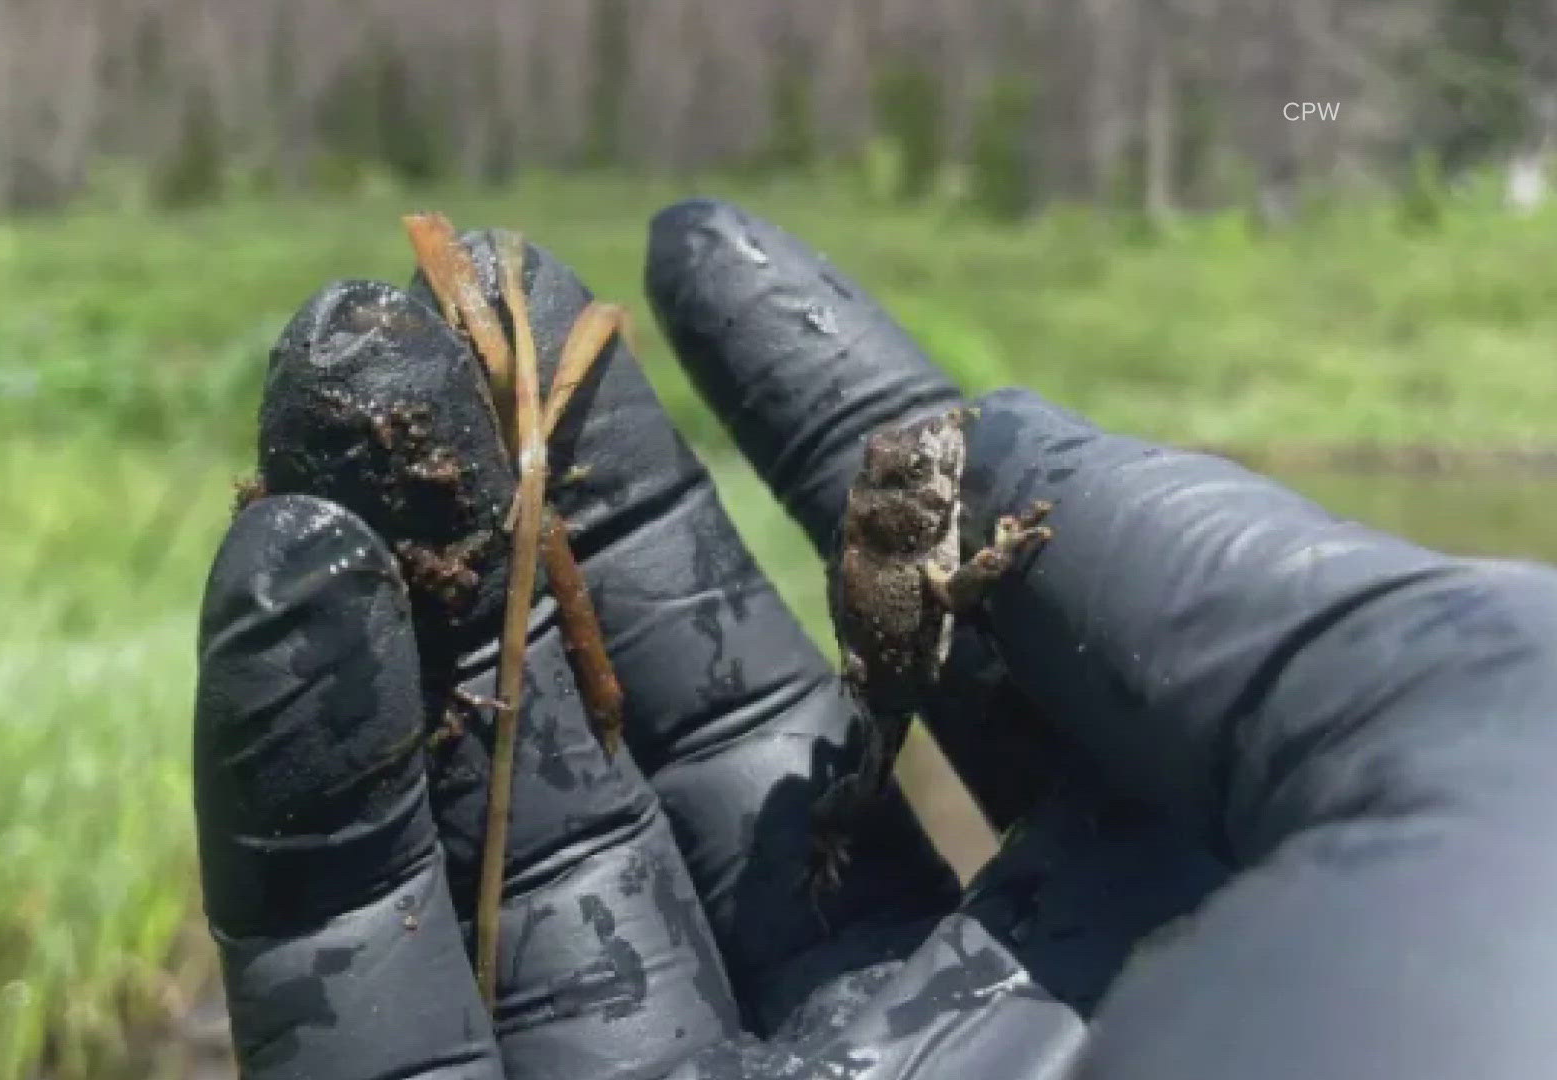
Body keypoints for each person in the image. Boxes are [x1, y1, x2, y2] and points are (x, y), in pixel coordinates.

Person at [192, 199, 1557, 1079]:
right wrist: (1008, 551)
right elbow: (941, 586)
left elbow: (943, 580)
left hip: (899, 655)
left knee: (883, 745)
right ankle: (853, 831)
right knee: (865, 752)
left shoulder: (915, 538)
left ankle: (864, 826)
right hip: (889, 662)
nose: (913, 484)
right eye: (906, 488)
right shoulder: (912, 545)